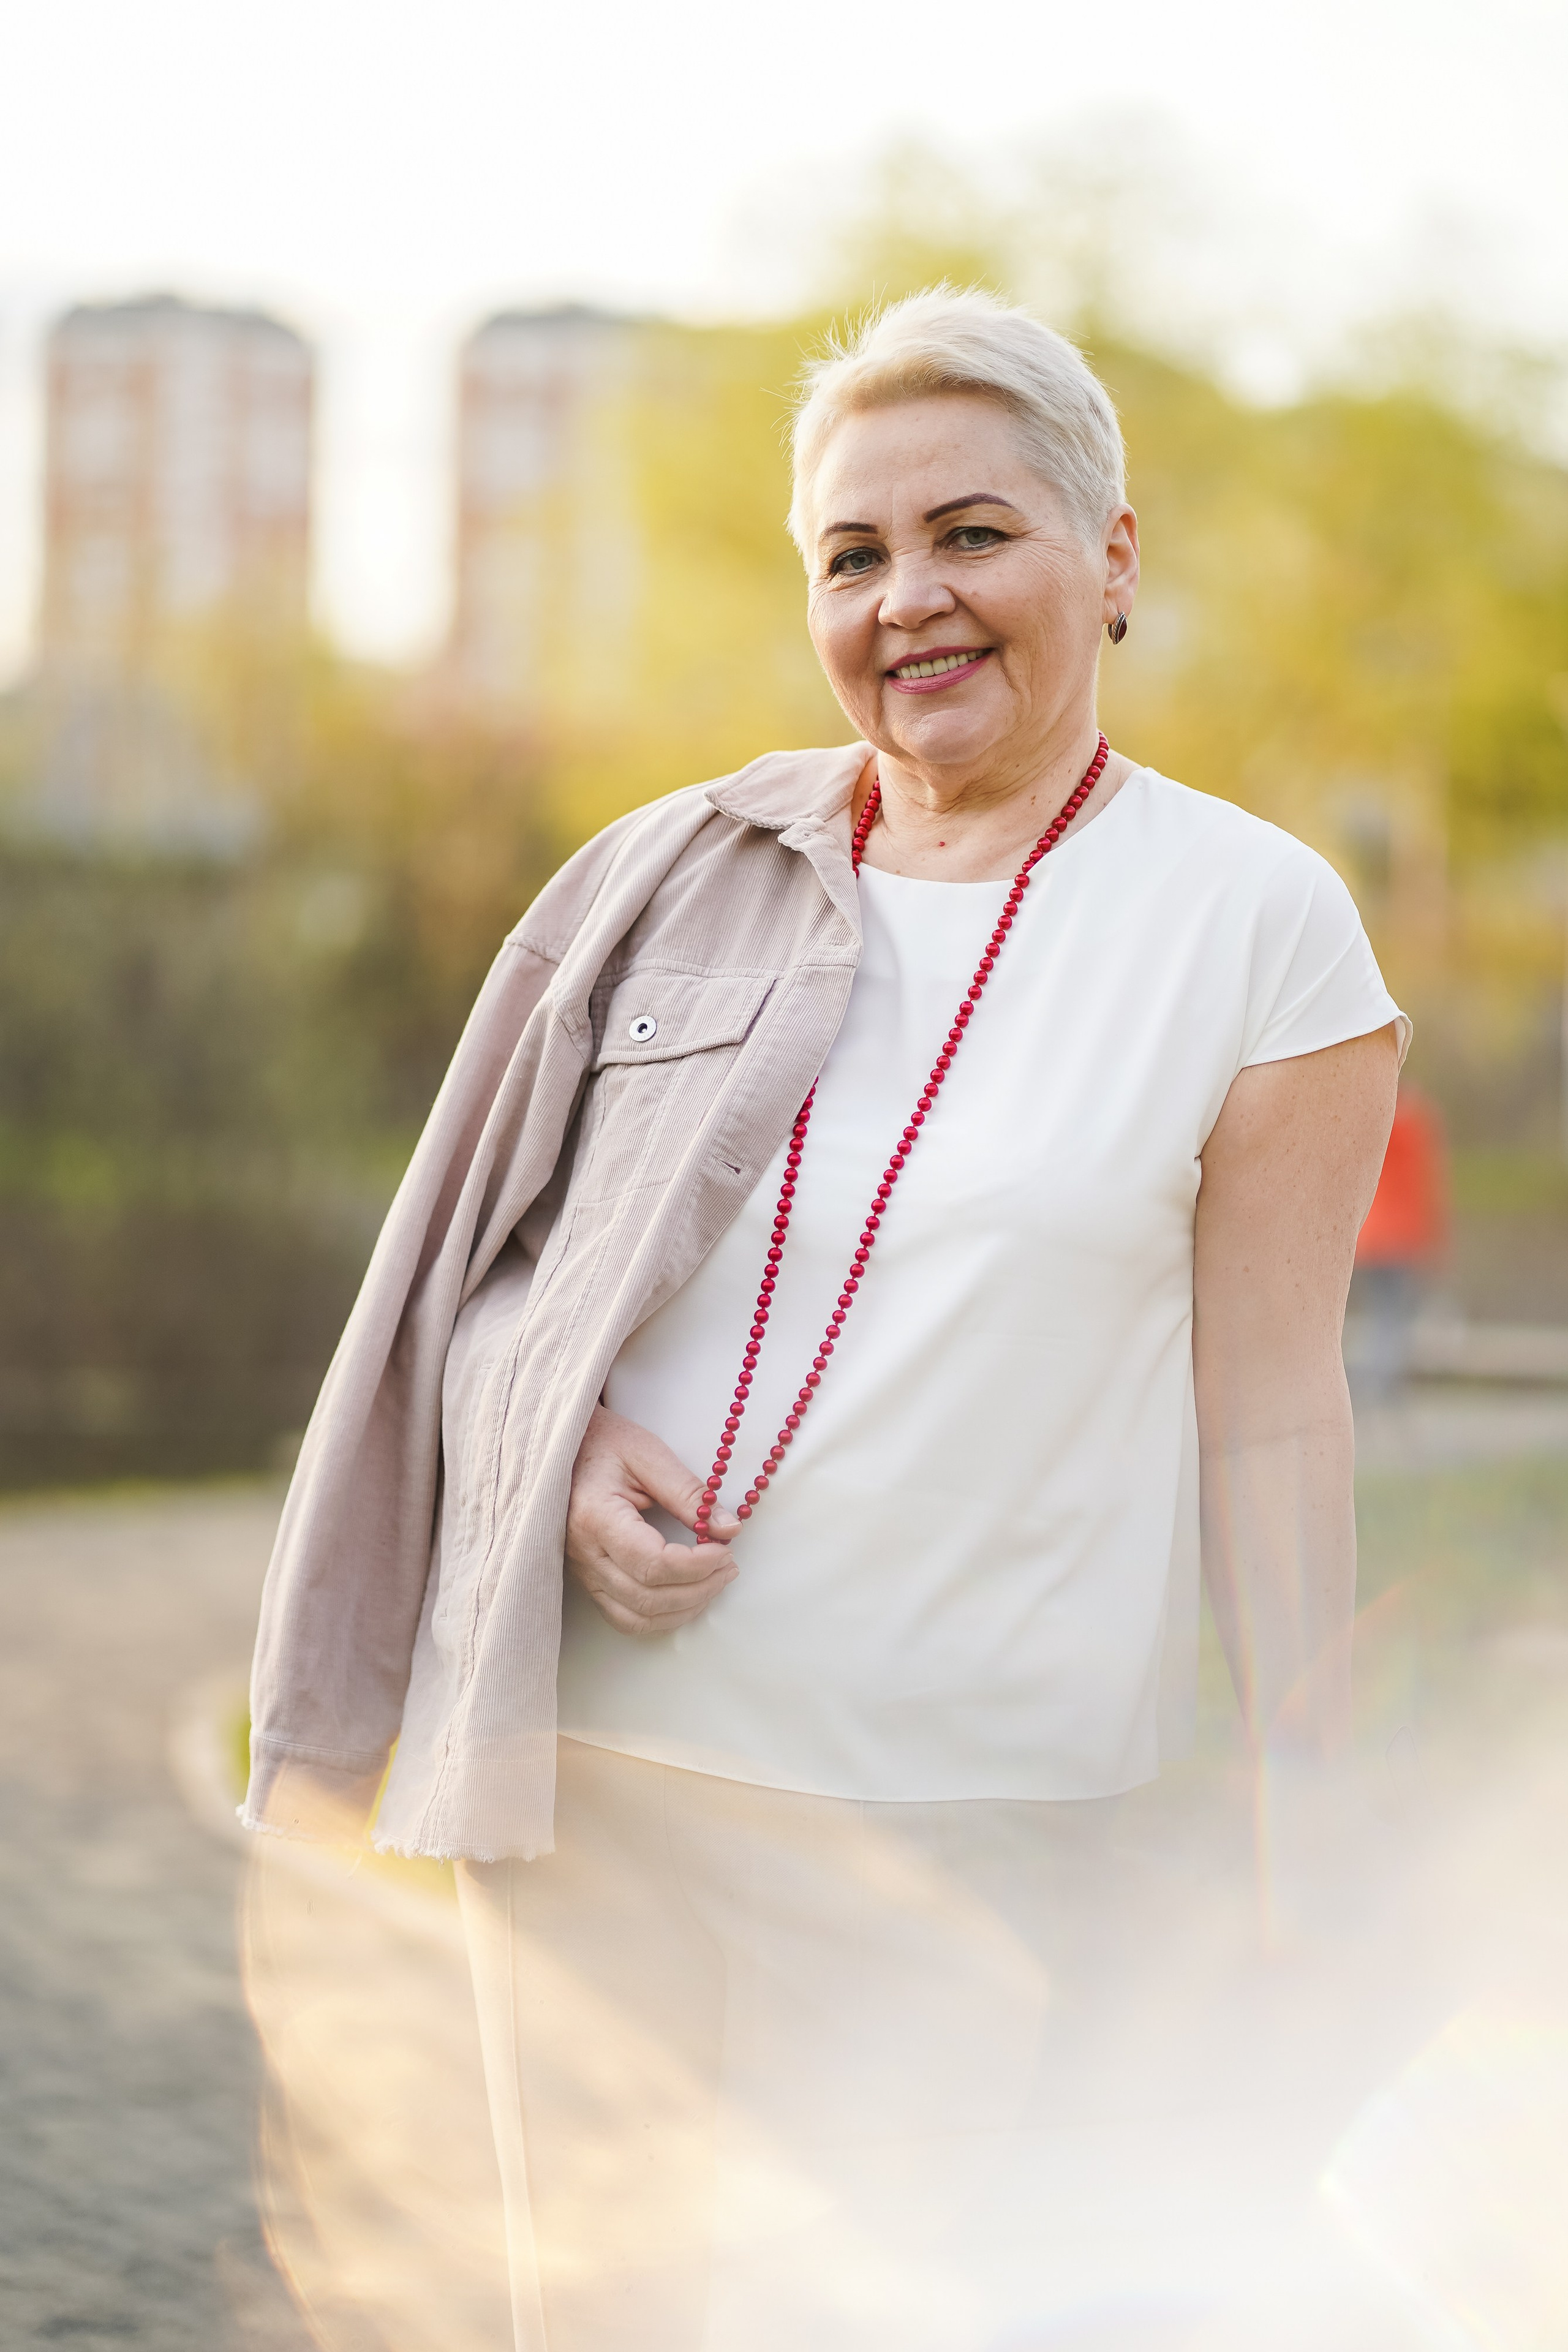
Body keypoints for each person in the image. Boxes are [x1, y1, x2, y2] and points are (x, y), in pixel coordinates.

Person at [244, 289, 1408, 2350]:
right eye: (853, 556)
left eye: (974, 534)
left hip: (964, 1839)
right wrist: (561, 1437)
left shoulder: (1258, 925)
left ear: (1112, 557)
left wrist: (1302, 1817)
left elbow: (1274, 1414)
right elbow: (482, 1275)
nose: (909, 601)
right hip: (592, 1783)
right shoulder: (666, 878)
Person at [1351, 1080, 1450, 1399]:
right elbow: (1430, 1187)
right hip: (1402, 1239)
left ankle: (1378, 1383)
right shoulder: (1417, 1128)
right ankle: (1381, 1386)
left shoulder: (1378, 1122)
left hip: (1371, 1239)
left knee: (1380, 1313)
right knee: (1393, 1316)